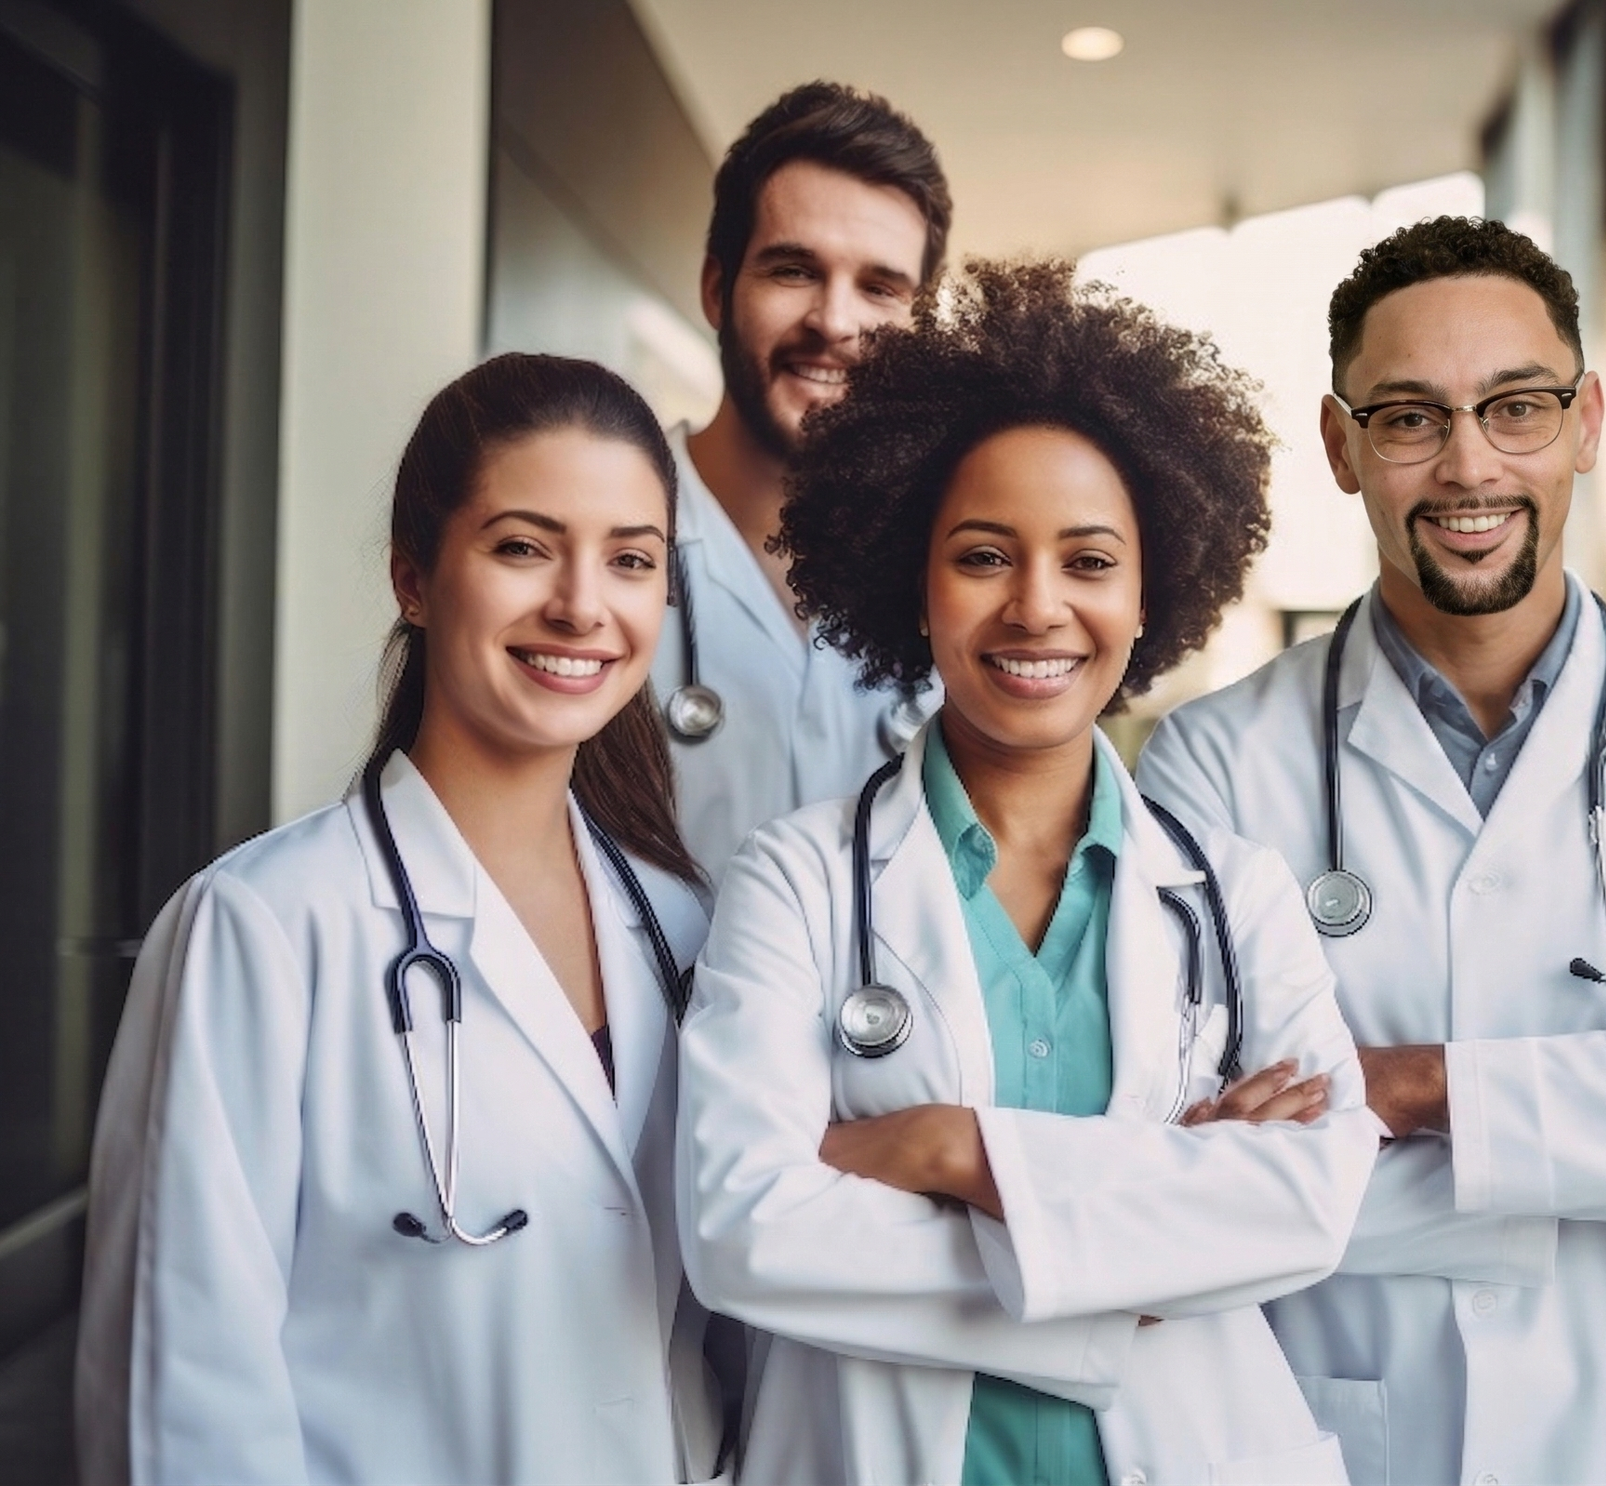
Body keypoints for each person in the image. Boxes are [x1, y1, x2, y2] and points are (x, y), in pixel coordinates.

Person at [1138, 216, 1606, 1486]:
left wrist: (1416, 1088)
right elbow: (1198, 1171)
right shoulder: (1213, 762)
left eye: (1516, 408)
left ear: (1588, 422)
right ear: (1343, 445)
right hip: (1340, 1439)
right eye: (1408, 418)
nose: (1467, 465)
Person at [675, 260, 1379, 1486]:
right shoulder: (794, 882)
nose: (1037, 608)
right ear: (915, 576)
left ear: (1153, 585)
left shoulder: (1236, 894)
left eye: (1090, 561)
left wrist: (949, 1152)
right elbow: (743, 1229)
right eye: (984, 555)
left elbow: (1311, 1203)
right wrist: (1138, 1253)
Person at [76, 355, 723, 1484]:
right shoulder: (260, 929)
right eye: (523, 546)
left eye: (630, 559)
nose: (582, 602)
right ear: (414, 579)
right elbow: (180, 1396)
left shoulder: (680, 924)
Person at [662, 80, 950, 877]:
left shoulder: (953, 565)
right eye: (794, 270)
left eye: (880, 287)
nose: (836, 321)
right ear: (718, 290)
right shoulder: (603, 533)